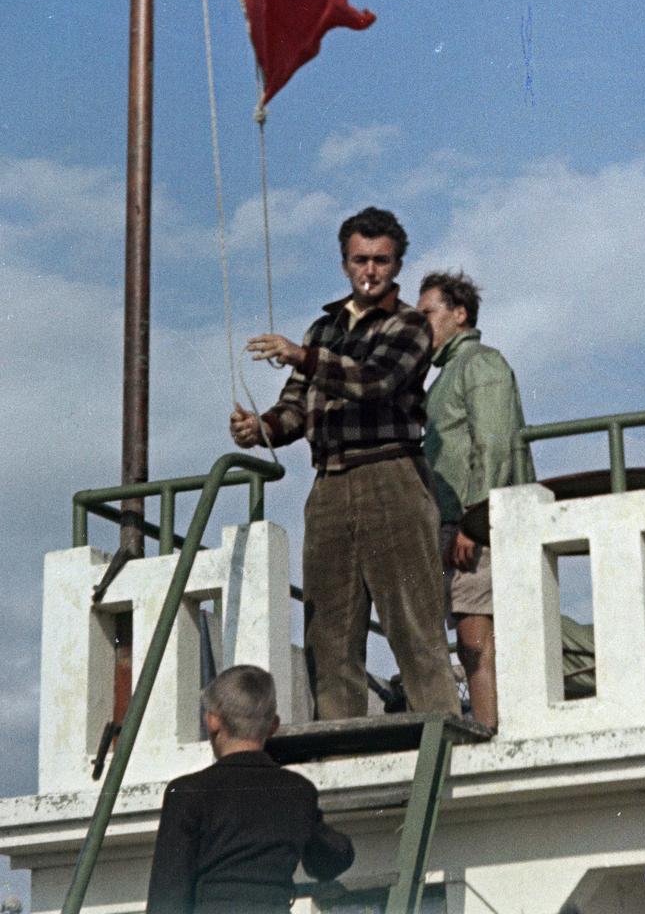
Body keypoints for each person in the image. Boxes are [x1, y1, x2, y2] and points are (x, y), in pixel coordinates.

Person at [230, 207, 460, 722]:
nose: (370, 271)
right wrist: (260, 428)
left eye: (381, 261)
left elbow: (376, 381)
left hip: (391, 476)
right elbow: (295, 406)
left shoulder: (410, 325)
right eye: (361, 260)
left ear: (397, 265)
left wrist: (303, 358)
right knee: (328, 633)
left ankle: (441, 741)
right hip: (329, 482)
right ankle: (340, 749)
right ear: (344, 263)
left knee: (413, 624)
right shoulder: (322, 329)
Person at [415, 271, 532, 729]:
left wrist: (473, 522)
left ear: (459, 314)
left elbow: (493, 443)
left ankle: (489, 732)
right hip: (456, 524)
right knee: (469, 633)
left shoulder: (479, 363)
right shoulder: (445, 375)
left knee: (475, 634)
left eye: (427, 313)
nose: (420, 323)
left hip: (480, 524)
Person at [145, 664, 353, 914]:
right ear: (273, 725)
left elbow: (167, 898)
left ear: (212, 721)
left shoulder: (187, 793)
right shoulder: (298, 792)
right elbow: (329, 861)